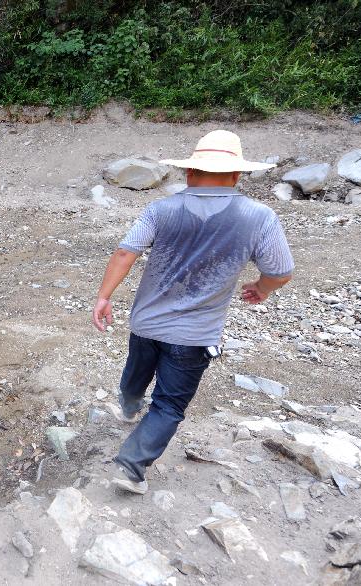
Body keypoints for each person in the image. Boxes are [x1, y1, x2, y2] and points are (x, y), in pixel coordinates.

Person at [91, 129, 294, 494]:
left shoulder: (160, 209)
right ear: (236, 176)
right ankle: (131, 467)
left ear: (189, 172)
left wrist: (104, 297)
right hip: (195, 335)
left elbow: (125, 252)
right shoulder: (258, 216)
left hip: (147, 322)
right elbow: (281, 272)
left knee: (137, 370)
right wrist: (261, 288)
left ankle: (127, 407)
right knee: (169, 404)